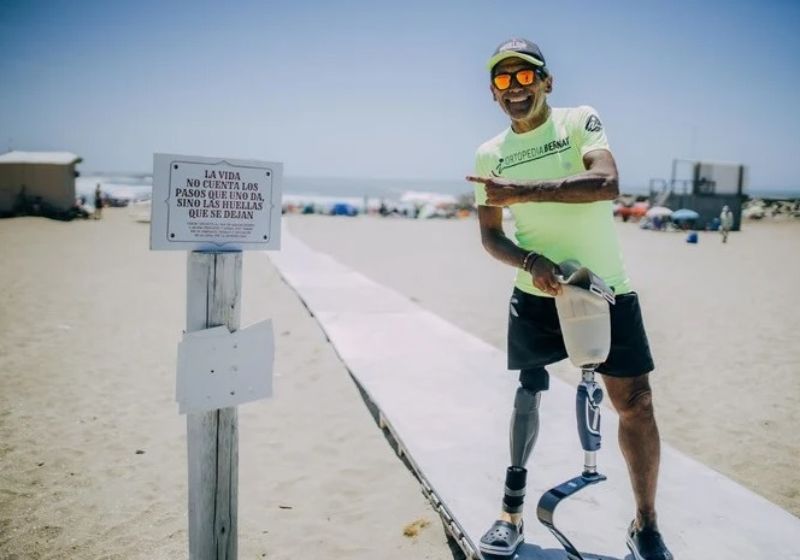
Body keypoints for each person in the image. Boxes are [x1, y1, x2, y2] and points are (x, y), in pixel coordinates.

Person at [466, 38, 673, 560]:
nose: (515, 88)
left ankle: (645, 523)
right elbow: (491, 237)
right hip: (536, 291)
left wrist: (523, 192)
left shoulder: (579, 120)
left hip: (605, 288)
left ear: (547, 82)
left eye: (525, 76)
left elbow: (606, 182)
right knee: (529, 390)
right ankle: (510, 513)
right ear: (493, 93)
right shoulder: (488, 154)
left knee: (637, 404)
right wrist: (530, 263)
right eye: (503, 80)